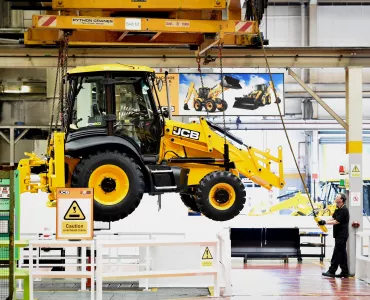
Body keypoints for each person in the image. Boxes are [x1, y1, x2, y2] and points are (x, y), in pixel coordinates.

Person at [318, 193, 350, 278]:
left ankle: (332, 271)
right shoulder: (338, 208)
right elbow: (333, 218)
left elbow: (337, 221)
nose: (335, 198)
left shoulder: (344, 210)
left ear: (341, 200)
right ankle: (345, 271)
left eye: (337, 197)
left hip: (342, 235)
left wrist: (325, 223)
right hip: (338, 234)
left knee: (337, 252)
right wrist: (323, 221)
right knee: (342, 253)